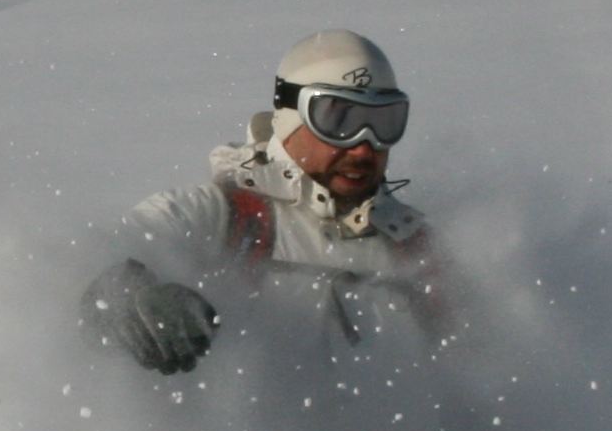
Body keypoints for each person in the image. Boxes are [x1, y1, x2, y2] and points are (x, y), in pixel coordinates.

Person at [84, 29, 443, 372]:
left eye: (385, 121)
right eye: (338, 119)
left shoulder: (412, 248)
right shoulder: (223, 218)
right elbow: (101, 257)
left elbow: (474, 372)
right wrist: (129, 299)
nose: (365, 146)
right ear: (290, 119)